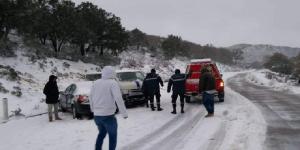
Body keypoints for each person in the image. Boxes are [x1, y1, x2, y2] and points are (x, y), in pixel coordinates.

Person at [90, 66, 128, 150]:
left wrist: (93, 110)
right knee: (112, 136)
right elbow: (118, 98)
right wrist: (124, 113)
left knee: (101, 134)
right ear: (112, 73)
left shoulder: (95, 83)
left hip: (97, 116)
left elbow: (91, 97)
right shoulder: (112, 83)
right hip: (108, 116)